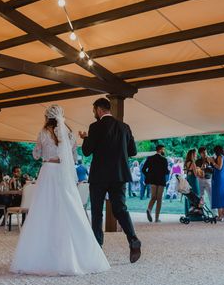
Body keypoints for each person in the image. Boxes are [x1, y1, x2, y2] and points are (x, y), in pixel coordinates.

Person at [11, 105, 110, 275]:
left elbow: (36, 154)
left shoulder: (43, 133)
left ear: (47, 117)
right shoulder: (69, 134)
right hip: (63, 173)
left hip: (48, 171)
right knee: (68, 208)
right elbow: (75, 157)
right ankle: (75, 255)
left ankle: (40, 256)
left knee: (44, 209)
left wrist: (42, 149)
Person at [80, 98, 141, 263]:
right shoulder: (125, 127)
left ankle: (97, 248)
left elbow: (86, 152)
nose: (94, 113)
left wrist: (85, 138)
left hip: (99, 176)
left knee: (97, 212)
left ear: (99, 110)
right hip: (119, 175)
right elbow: (133, 151)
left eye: (94, 110)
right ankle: (133, 240)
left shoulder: (94, 127)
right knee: (120, 209)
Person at [142, 145, 169, 222]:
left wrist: (149, 175)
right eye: (163, 149)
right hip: (161, 180)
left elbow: (143, 169)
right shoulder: (164, 160)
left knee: (153, 197)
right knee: (159, 199)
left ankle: (149, 209)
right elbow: (166, 172)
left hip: (153, 180)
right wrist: (168, 170)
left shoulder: (150, 158)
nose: (164, 151)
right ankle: (157, 218)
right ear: (160, 150)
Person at [209, 145, 224, 221]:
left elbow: (219, 167)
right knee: (222, 196)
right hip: (220, 177)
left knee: (219, 196)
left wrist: (212, 162)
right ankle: (222, 215)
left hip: (219, 178)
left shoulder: (220, 157)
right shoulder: (223, 157)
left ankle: (221, 216)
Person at [183, 149, 200, 215]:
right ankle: (195, 214)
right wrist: (199, 170)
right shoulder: (193, 163)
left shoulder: (186, 162)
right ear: (192, 155)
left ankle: (188, 213)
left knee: (189, 195)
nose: (196, 155)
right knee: (195, 195)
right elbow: (196, 174)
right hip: (193, 180)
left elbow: (185, 172)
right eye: (195, 154)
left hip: (188, 179)